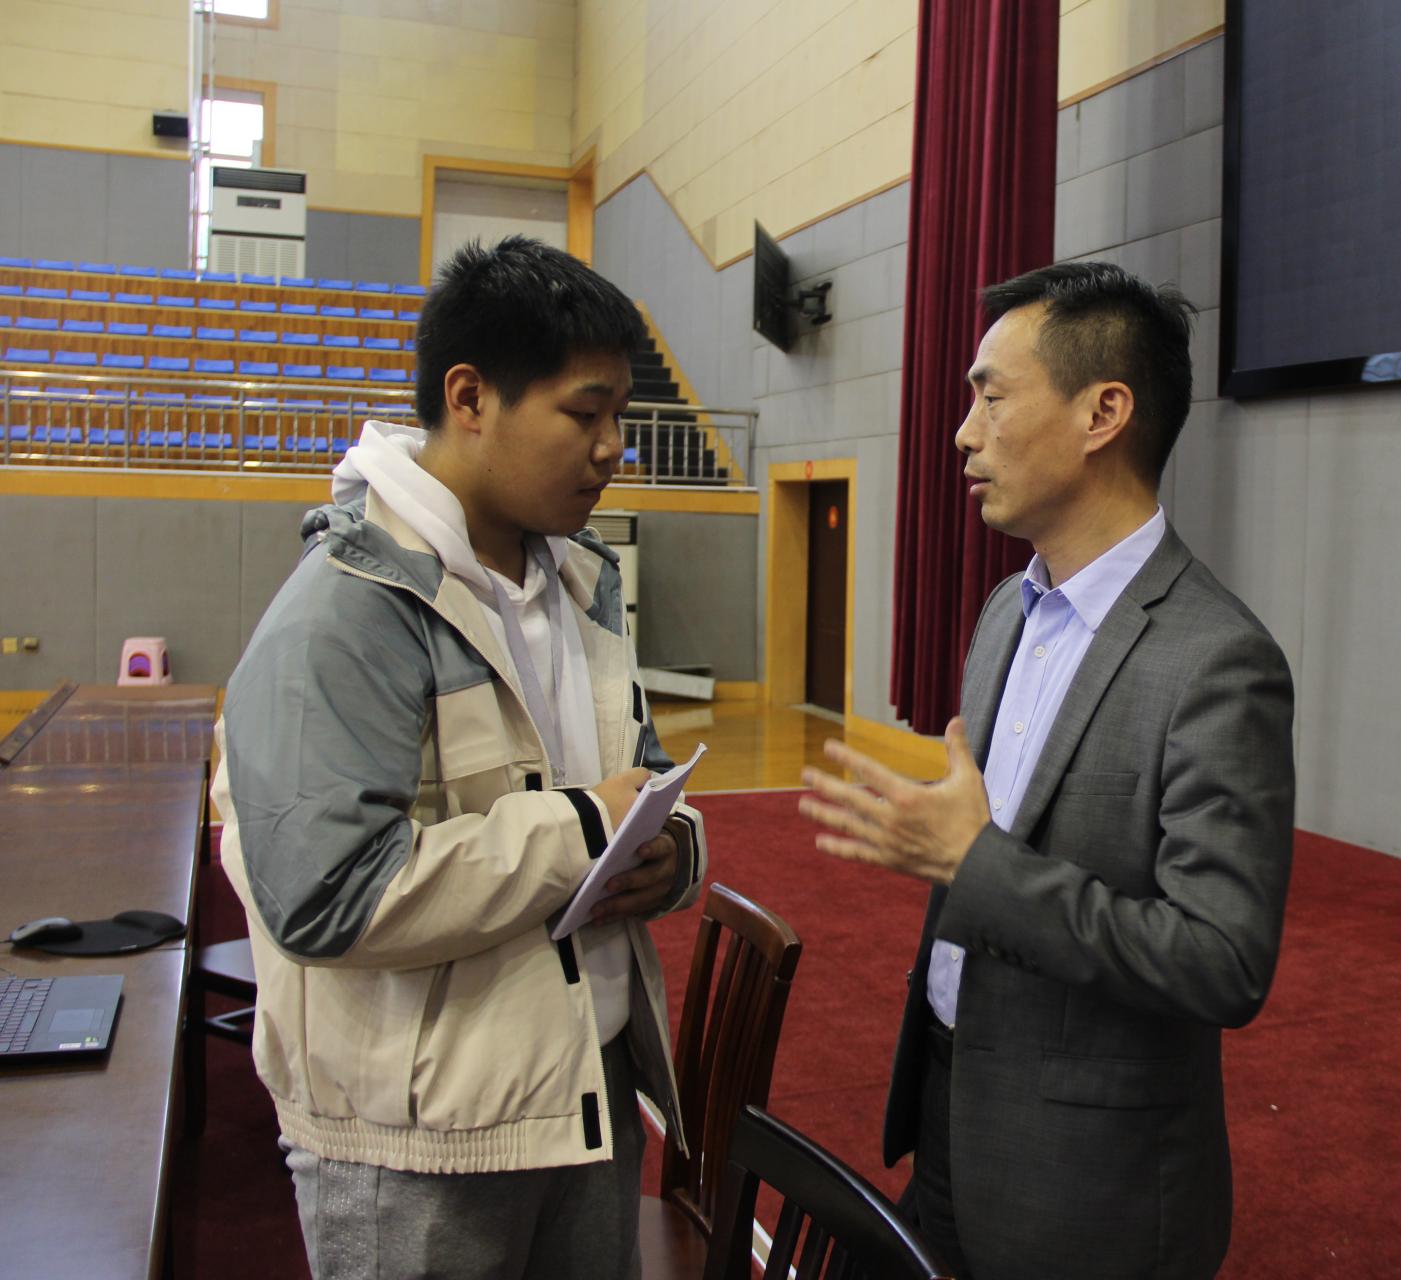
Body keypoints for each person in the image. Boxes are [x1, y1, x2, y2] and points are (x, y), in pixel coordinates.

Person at [210, 235, 706, 1280]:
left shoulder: (580, 583)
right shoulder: (345, 611)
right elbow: (327, 894)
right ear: (470, 397)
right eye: (585, 413)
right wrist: (583, 829)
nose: (614, 447)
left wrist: (669, 853)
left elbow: (640, 772)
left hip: (587, 1091)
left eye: (621, 414)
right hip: (419, 1148)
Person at [800, 261, 1295, 1279]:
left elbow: (1222, 959)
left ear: (1102, 413)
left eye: (991, 396)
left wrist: (973, 863)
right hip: (948, 1110)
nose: (962, 433)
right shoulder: (1005, 613)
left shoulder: (1217, 660)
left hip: (1089, 1181)